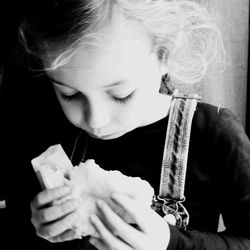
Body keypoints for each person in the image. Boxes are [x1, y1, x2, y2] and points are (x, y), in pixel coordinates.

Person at [0, 0, 250, 249]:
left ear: (164, 54)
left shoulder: (213, 135)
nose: (96, 121)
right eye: (70, 94)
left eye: (121, 95)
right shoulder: (46, 130)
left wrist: (169, 243)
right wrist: (38, 225)